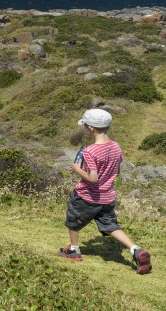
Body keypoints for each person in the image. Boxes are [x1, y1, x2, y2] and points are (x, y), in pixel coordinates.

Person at [58, 108, 152, 274]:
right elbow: (117, 170)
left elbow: (93, 178)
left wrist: (76, 169)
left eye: (85, 126)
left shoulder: (90, 151)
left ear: (91, 129)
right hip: (108, 197)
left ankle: (74, 250)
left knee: (73, 219)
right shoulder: (115, 146)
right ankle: (135, 249)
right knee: (110, 225)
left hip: (88, 196)